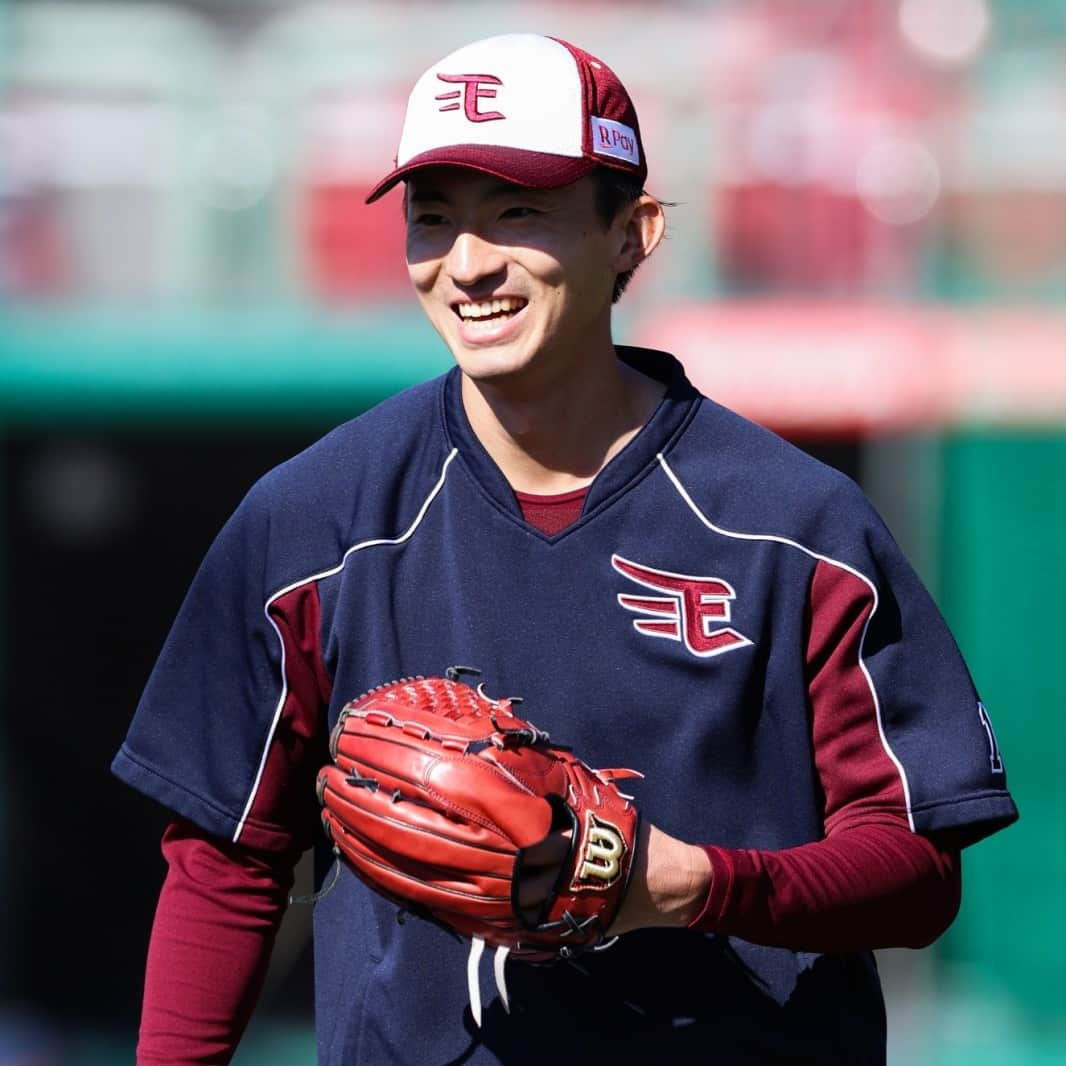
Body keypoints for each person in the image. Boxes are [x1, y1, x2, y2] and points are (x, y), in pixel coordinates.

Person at [113, 32, 1018, 1066]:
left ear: (631, 234)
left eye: (518, 213)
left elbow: (914, 868)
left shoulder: (795, 527)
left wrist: (692, 884)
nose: (467, 263)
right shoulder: (311, 523)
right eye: (433, 217)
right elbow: (225, 862)